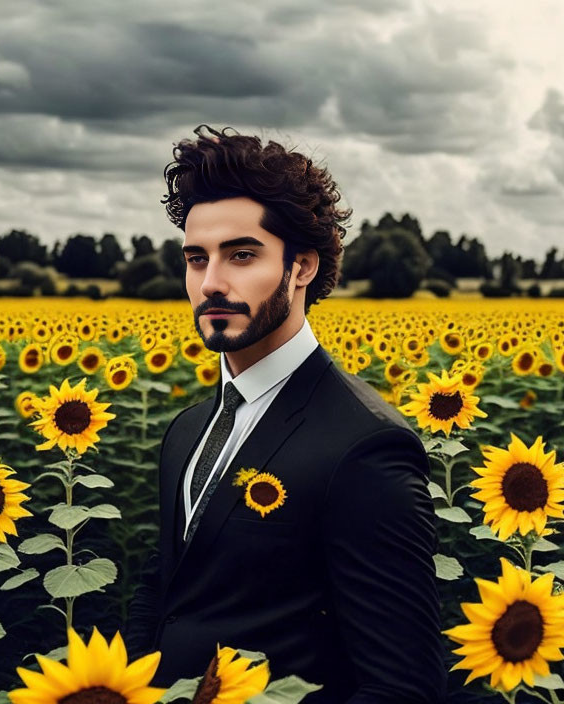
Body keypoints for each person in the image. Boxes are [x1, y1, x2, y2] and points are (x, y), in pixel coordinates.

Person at [124, 124, 447, 702]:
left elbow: (401, 686)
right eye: (196, 259)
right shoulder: (188, 432)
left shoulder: (363, 447)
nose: (211, 283)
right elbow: (166, 595)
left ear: (302, 267)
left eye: (241, 255)